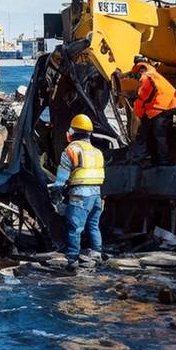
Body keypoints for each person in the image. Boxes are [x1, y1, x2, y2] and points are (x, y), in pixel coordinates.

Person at [49, 113, 105, 271]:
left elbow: (61, 178)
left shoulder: (71, 150)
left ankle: (72, 259)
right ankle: (97, 254)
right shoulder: (96, 151)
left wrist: (56, 193)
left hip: (81, 194)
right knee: (93, 225)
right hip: (96, 194)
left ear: (72, 133)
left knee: (75, 227)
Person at [125, 55, 176, 166]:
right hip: (163, 108)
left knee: (144, 135)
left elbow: (142, 98)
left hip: (155, 110)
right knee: (159, 137)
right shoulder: (155, 75)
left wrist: (138, 114)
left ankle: (139, 159)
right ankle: (161, 161)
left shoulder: (146, 76)